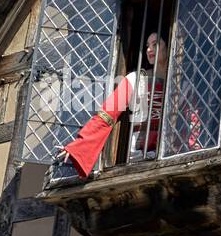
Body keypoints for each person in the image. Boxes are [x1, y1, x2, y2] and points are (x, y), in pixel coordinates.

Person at [61, 31, 168, 176]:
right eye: (147, 45)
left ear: (168, 47)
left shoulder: (181, 82)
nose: (149, 49)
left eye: (155, 45)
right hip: (138, 157)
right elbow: (107, 114)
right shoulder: (134, 79)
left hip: (168, 157)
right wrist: (80, 146)